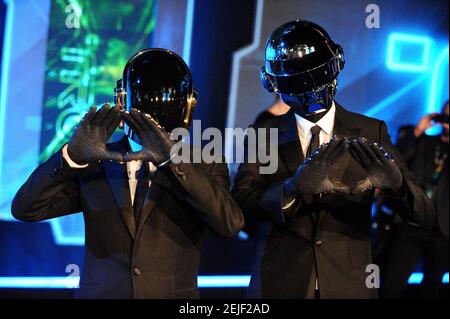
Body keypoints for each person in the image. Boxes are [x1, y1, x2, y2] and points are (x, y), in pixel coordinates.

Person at [12, 49, 244, 299]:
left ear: (122, 100)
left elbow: (229, 224)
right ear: (189, 106)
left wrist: (171, 161)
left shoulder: (204, 163)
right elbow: (25, 209)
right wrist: (69, 157)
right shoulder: (96, 159)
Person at [232, 20, 435, 299]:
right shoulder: (264, 134)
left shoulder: (370, 130)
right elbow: (242, 203)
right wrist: (291, 190)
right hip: (279, 282)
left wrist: (397, 186)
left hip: (349, 285)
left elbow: (425, 214)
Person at [382, 101, 449, 298]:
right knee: (392, 284)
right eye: (445, 118)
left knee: (431, 288)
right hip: (412, 221)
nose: (447, 124)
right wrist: (419, 130)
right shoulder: (423, 141)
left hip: (443, 229)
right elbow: (394, 162)